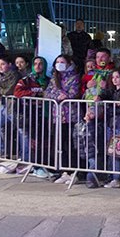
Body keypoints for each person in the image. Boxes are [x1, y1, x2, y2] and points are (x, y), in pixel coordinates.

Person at [43, 54, 82, 183]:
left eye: (62, 62)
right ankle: (64, 171)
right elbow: (48, 92)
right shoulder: (54, 78)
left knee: (71, 144)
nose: (59, 64)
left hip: (72, 116)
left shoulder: (74, 77)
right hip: (58, 116)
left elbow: (73, 93)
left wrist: (64, 95)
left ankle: (74, 171)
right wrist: (58, 95)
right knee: (61, 144)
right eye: (57, 62)